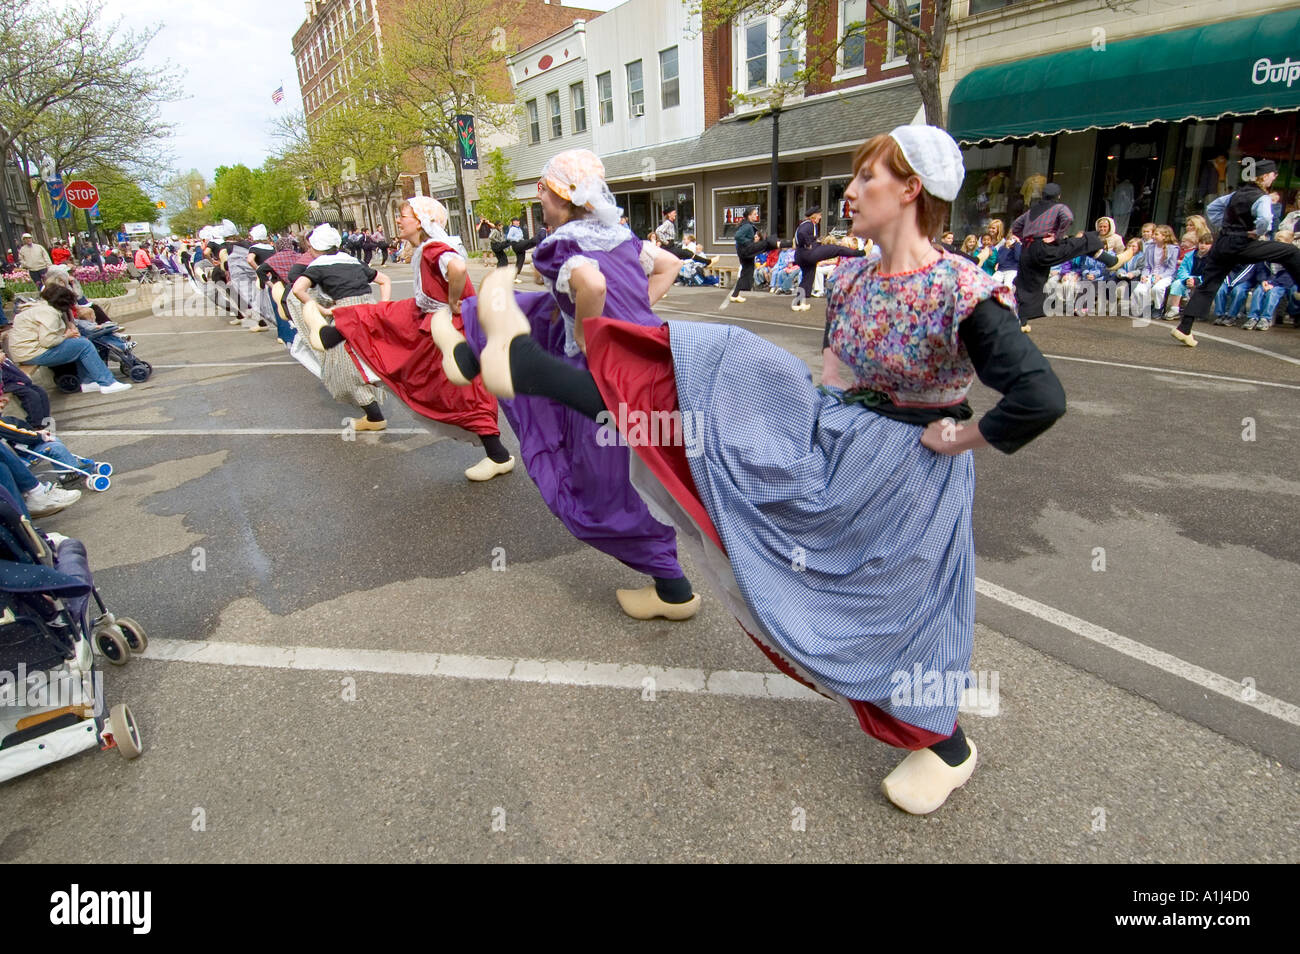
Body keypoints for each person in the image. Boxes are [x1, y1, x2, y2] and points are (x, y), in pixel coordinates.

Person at [468, 126, 1066, 814]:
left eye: (867, 177)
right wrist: (774, 419)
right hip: (841, 442)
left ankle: (948, 746)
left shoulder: (961, 288)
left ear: (911, 190)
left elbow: (1039, 397)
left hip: (910, 477)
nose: (850, 191)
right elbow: (837, 379)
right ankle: (534, 368)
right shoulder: (850, 277)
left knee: (893, 616)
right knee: (712, 395)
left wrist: (957, 437)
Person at [431, 148, 701, 621]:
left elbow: (591, 285)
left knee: (599, 490)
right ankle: (474, 355)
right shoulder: (621, 236)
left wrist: (589, 332)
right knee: (539, 312)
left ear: (552, 194)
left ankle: (673, 587)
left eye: (542, 192)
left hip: (604, 373)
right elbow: (670, 267)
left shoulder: (561, 245)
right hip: (653, 360)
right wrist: (635, 313)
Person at [304, 198, 514, 481]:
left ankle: (498, 456)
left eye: (403, 215)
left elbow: (458, 269)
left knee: (462, 392)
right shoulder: (426, 249)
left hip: (442, 325)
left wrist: (452, 301)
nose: (399, 220)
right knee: (375, 316)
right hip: (430, 319)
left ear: (421, 221)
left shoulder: (433, 248)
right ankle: (328, 335)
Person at [1173, 160, 1300, 346]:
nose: (1275, 177)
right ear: (1264, 176)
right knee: (1289, 251)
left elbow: (1212, 208)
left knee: (1209, 284)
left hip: (1223, 242)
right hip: (1242, 243)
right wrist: (1257, 232)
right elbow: (1265, 218)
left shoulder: (1237, 193)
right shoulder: (1261, 197)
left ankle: (1184, 328)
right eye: (1273, 174)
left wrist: (1224, 227)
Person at [288, 224, 391, 432]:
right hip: (369, 313)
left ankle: (374, 416)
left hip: (346, 317)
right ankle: (373, 413)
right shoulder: (352, 261)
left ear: (316, 248)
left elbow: (297, 289)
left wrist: (321, 310)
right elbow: (385, 280)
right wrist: (382, 306)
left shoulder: (318, 265)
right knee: (370, 362)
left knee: (340, 369)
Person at [1011, 182, 1115, 331]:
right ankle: (1110, 259)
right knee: (1077, 242)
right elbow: (1068, 218)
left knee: (1026, 285)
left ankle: (1022, 321)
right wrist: (1057, 236)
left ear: (1043, 195)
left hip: (1027, 251)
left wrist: (1025, 238)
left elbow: (1016, 226)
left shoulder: (1031, 210)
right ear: (1058, 196)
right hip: (1043, 248)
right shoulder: (1059, 207)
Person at [8, 285, 131, 394]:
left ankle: (88, 382)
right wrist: (67, 335)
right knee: (84, 345)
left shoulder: (40, 307)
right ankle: (107, 383)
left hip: (25, 351)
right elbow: (47, 341)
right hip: (32, 353)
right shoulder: (49, 313)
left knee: (78, 344)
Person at [793, 205, 865, 310]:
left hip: (800, 255)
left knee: (807, 278)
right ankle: (859, 253)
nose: (820, 217)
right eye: (819, 215)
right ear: (814, 216)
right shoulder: (809, 224)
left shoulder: (802, 224)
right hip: (808, 253)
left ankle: (797, 303)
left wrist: (814, 242)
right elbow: (802, 234)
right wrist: (808, 244)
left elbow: (800, 236)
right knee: (836, 249)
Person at [728, 206, 782, 303]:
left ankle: (735, 294)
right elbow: (737, 236)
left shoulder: (748, 225)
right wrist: (749, 242)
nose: (756, 215)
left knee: (746, 273)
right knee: (746, 273)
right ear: (749, 216)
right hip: (746, 252)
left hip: (745, 252)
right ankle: (735, 294)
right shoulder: (747, 226)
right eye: (754, 214)